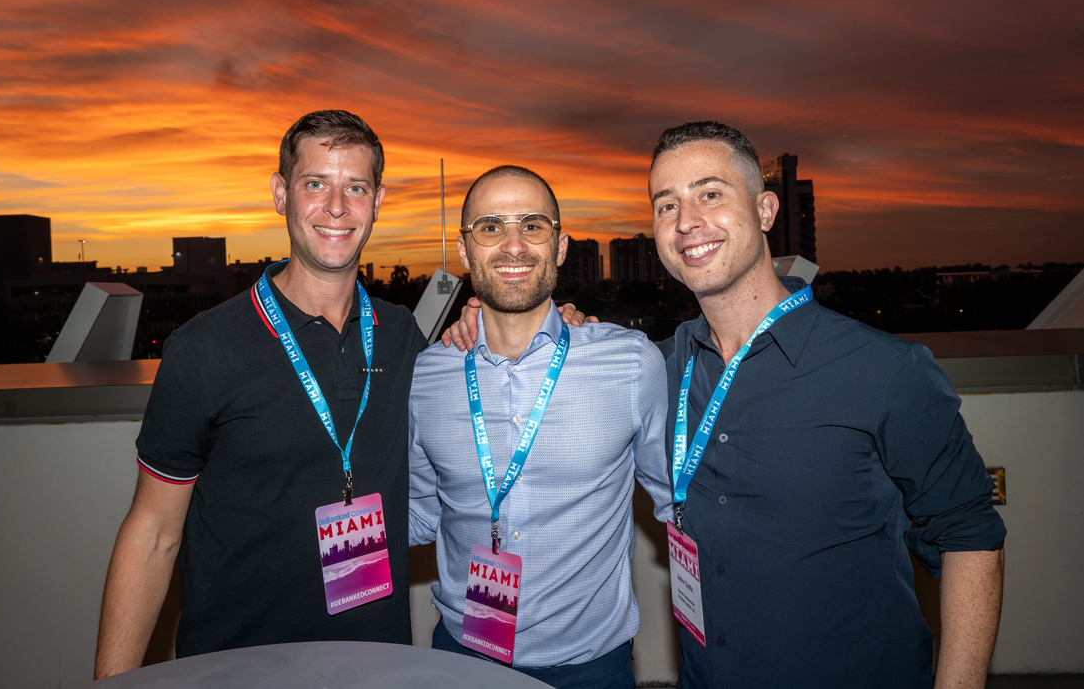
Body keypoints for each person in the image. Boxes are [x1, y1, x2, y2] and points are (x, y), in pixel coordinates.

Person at [649, 121, 1006, 688]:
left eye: (710, 194)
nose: (686, 221)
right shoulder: (658, 369)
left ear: (765, 211)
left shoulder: (886, 370)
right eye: (666, 205)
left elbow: (970, 534)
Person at [94, 110, 429, 679]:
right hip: (240, 669)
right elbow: (153, 535)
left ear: (378, 202)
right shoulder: (202, 350)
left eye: (356, 187)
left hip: (377, 666)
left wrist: (558, 322)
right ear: (281, 194)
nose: (337, 207)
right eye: (315, 183)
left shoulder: (402, 336)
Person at [409, 166, 672, 689]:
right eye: (490, 227)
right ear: (464, 251)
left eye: (532, 226)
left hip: (590, 670)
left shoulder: (630, 364)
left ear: (560, 246)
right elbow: (418, 513)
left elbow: (678, 504)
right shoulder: (425, 377)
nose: (513, 245)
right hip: (459, 661)